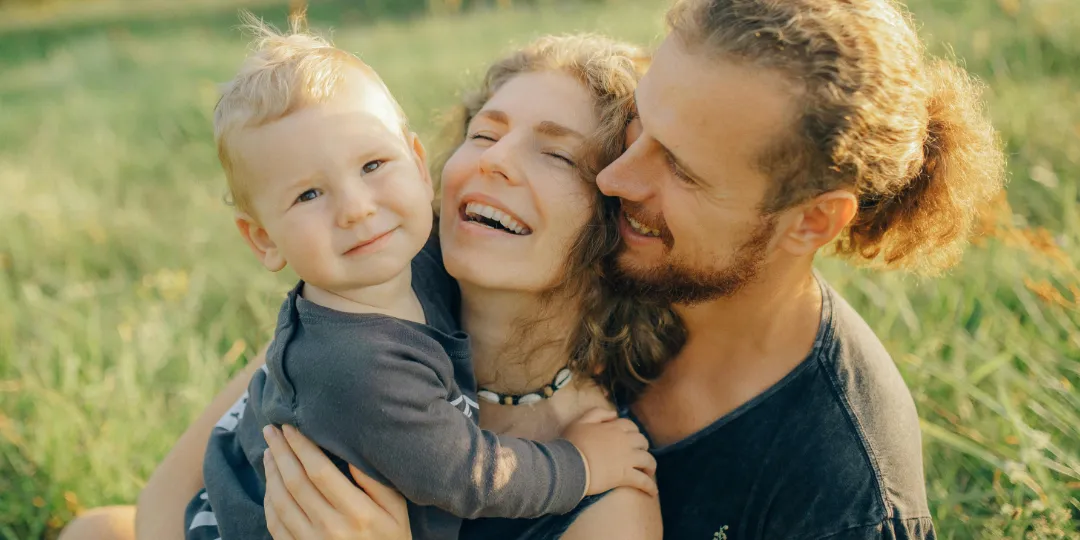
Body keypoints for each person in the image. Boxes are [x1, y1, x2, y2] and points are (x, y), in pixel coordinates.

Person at [234, 0, 1006, 539]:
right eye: (637, 132)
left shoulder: (840, 491)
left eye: (682, 168)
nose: (618, 181)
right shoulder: (481, 272)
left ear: (810, 221)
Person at [59, 31, 673, 540]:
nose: (492, 159)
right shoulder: (359, 314)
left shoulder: (608, 498)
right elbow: (163, 506)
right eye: (483, 133)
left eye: (558, 156)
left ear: (619, 223)